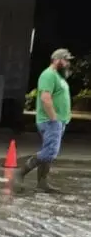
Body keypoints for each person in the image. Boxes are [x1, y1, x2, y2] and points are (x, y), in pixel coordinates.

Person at [16, 48, 73, 193]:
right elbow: (45, 98)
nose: (67, 63)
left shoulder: (59, 76)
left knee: (48, 152)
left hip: (58, 121)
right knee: (50, 152)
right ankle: (20, 173)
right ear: (57, 60)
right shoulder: (48, 75)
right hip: (50, 120)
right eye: (65, 60)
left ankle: (42, 183)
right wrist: (54, 118)